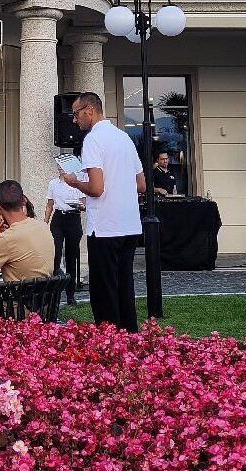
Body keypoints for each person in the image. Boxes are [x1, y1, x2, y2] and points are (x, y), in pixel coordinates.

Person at [59, 91, 145, 332]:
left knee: (104, 290)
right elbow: (141, 185)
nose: (74, 120)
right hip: (129, 225)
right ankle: (129, 336)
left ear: (89, 110)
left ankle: (109, 340)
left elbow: (96, 189)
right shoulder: (124, 138)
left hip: (105, 227)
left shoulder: (93, 139)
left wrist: (75, 182)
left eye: (76, 114)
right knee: (124, 285)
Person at [0, 180, 55, 287]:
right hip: (46, 295)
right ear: (24, 201)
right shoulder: (43, 227)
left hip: (17, 297)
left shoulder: (6, 239)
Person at [45, 170, 85, 305]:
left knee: (71, 257)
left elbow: (84, 204)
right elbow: (49, 205)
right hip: (58, 218)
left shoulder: (76, 182)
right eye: (59, 166)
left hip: (73, 217)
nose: (61, 169)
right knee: (55, 254)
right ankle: (53, 292)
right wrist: (45, 223)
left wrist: (80, 206)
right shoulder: (53, 183)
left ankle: (70, 295)